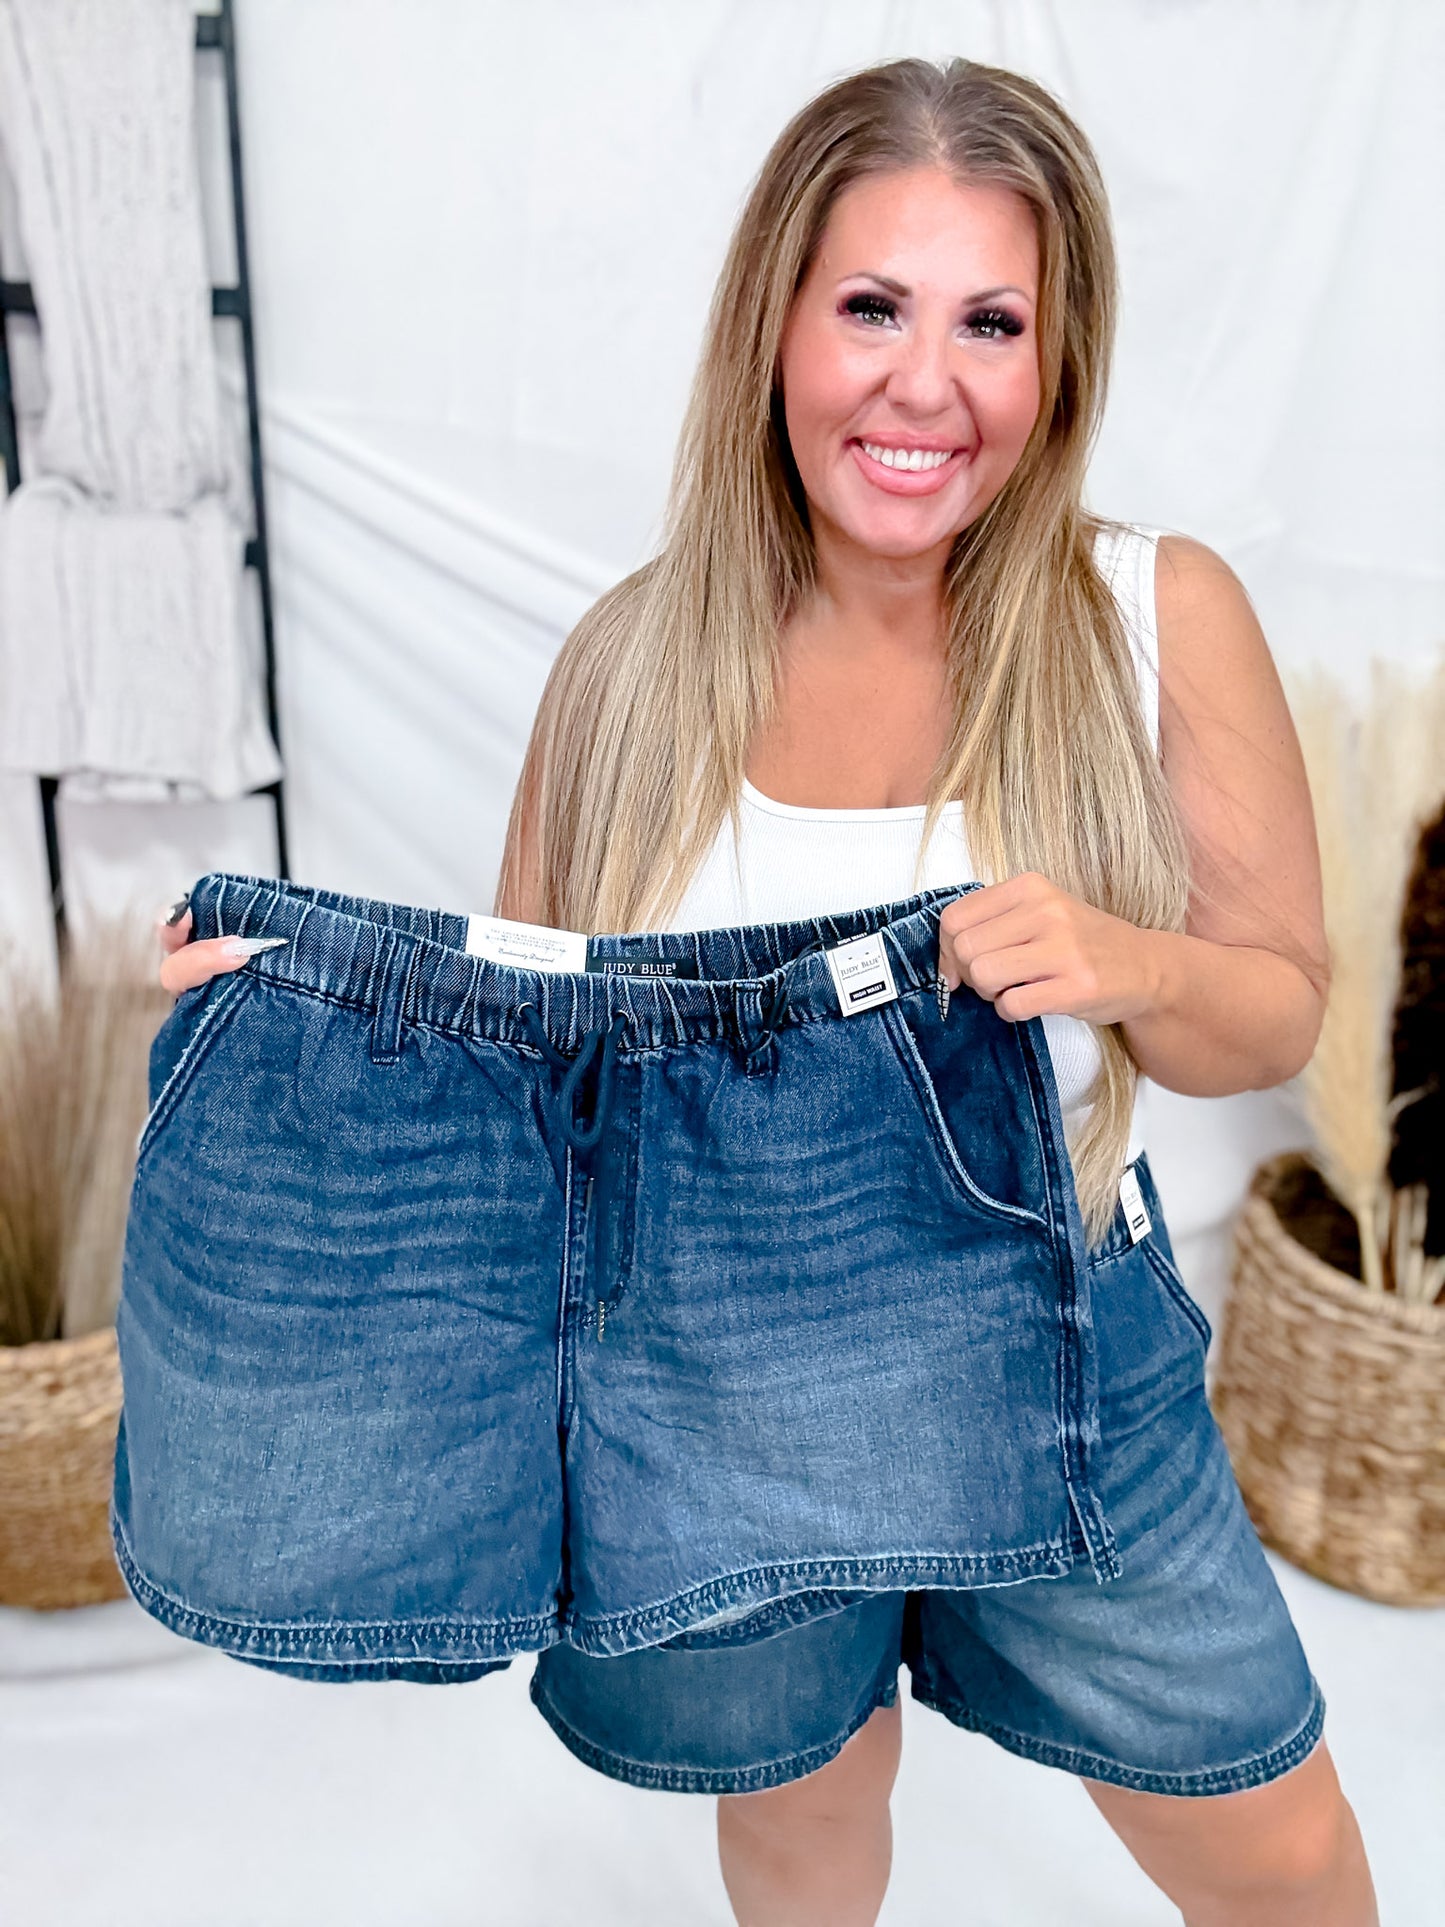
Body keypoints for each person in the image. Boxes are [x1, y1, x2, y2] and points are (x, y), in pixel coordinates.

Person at [158, 55, 1377, 1927]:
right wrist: (282, 1009)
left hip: (1060, 1339)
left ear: (1055, 362)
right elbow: (528, 1080)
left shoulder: (1150, 615)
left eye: (990, 321)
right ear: (777, 329)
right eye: (871, 307)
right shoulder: (633, 666)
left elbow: (1276, 1014)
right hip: (702, 1381)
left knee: (1265, 1828)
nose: (922, 381)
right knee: (804, 1819)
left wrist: (1124, 964)